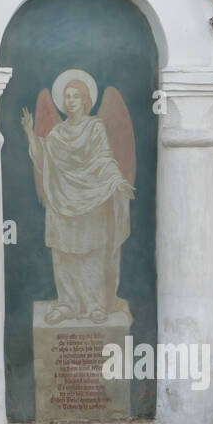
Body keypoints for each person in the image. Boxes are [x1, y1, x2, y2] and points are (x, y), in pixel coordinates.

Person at [21, 70, 134, 324]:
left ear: (85, 100)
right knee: (64, 254)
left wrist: (117, 181)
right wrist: (30, 133)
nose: (70, 100)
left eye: (75, 95)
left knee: (92, 252)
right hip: (61, 200)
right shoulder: (58, 134)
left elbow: (104, 158)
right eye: (66, 96)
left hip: (91, 198)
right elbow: (42, 162)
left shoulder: (95, 127)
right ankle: (68, 304)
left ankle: (95, 305)